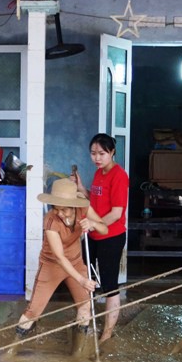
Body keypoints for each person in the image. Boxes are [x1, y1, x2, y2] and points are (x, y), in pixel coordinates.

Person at [5, 179, 108, 357]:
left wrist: (92, 224)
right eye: (56, 208)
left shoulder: (83, 208)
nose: (59, 213)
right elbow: (60, 257)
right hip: (52, 265)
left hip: (75, 262)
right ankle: (11, 350)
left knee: (85, 307)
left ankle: (77, 352)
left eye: (64, 209)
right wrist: (82, 279)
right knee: (33, 311)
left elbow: (104, 229)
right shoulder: (50, 221)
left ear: (74, 205)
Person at [73, 133, 129, 344]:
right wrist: (81, 190)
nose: (97, 158)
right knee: (85, 278)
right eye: (93, 153)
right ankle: (85, 322)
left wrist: (95, 224)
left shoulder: (119, 176)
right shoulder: (99, 173)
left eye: (102, 154)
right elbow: (95, 202)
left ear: (112, 152)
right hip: (92, 234)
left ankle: (106, 332)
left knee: (109, 285)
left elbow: (116, 212)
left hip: (111, 237)